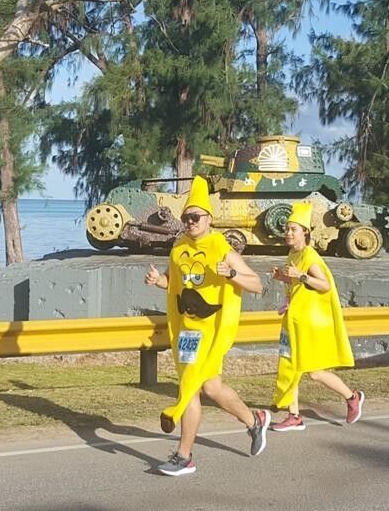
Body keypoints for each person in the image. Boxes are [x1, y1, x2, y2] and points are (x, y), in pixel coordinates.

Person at [144, 175, 271, 477]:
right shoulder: (178, 250)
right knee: (210, 387)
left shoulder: (221, 247)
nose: (190, 222)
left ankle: (184, 456)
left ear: (209, 219)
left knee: (190, 389)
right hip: (187, 332)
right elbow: (175, 285)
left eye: (196, 217)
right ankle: (255, 422)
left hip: (211, 332)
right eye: (186, 217)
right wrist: (158, 280)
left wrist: (230, 275)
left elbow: (257, 285)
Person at [269, 200, 364, 432]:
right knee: (291, 366)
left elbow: (323, 285)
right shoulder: (293, 253)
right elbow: (297, 282)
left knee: (314, 372)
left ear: (305, 233)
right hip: (293, 319)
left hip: (309, 322)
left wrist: (301, 276)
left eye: (293, 229)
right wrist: (283, 277)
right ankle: (294, 416)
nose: (288, 233)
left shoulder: (310, 256)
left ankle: (352, 397)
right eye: (287, 229)